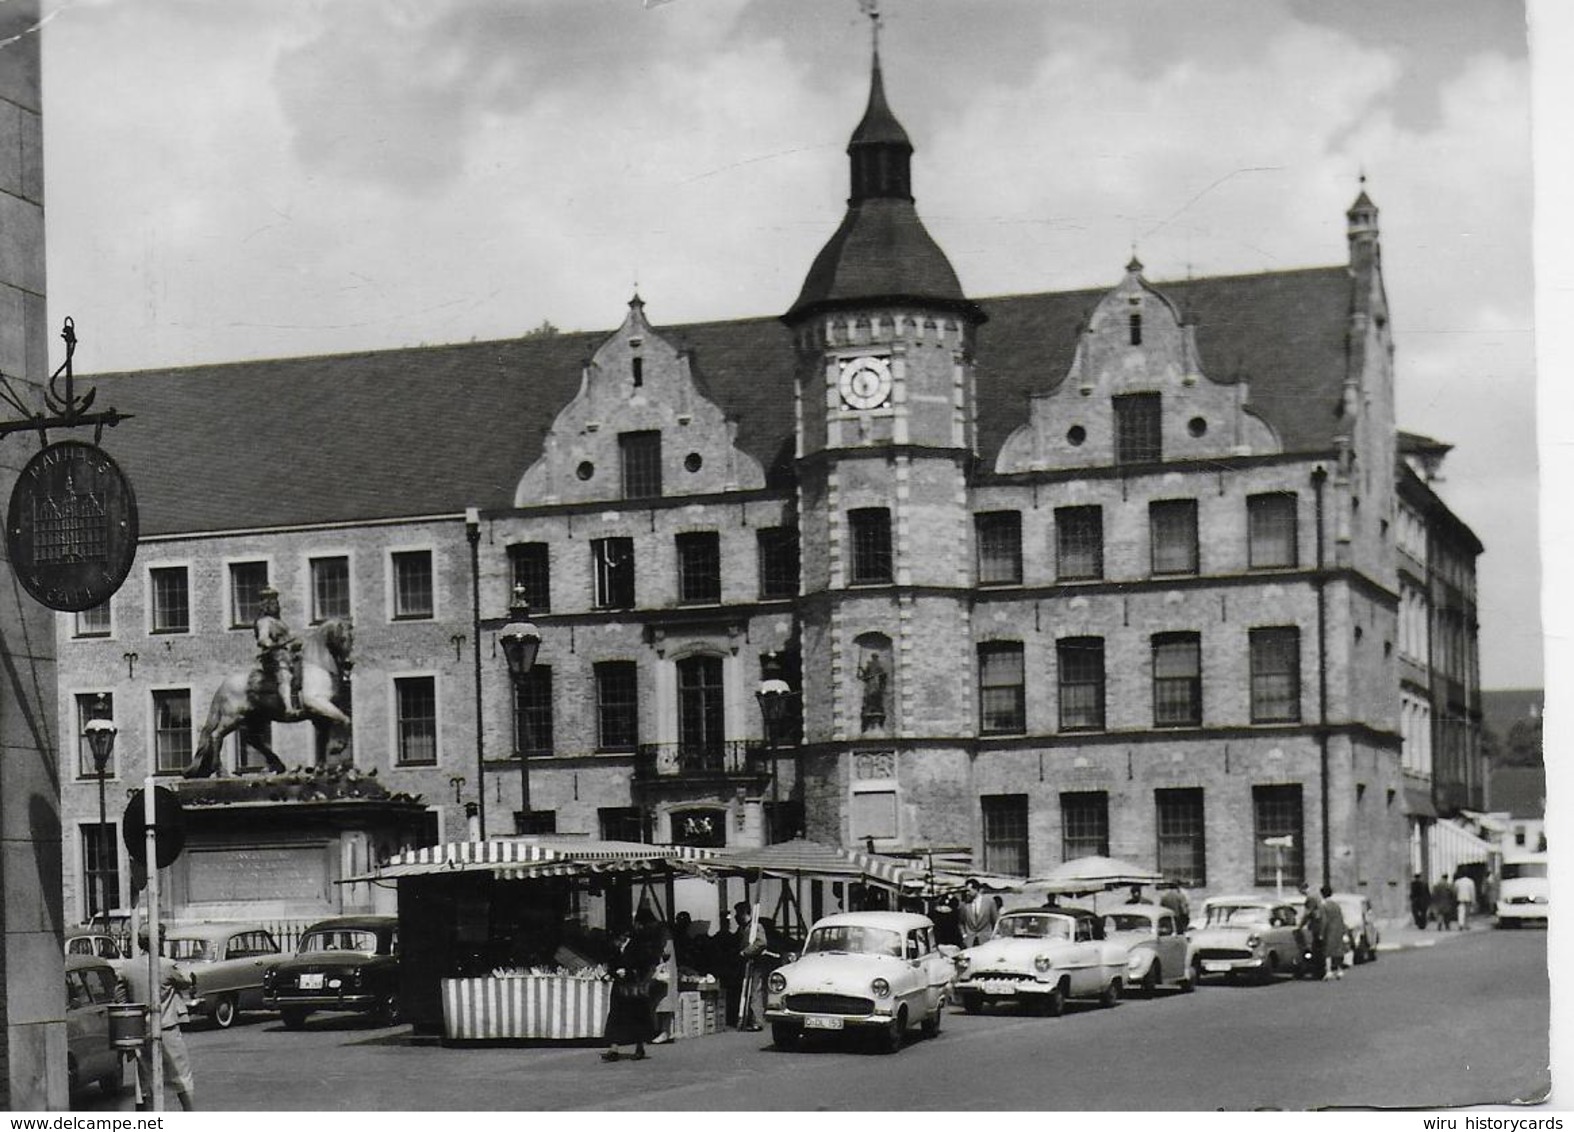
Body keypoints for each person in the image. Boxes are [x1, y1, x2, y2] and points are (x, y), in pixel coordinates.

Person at [117, 927, 197, 1111]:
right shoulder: (167, 965)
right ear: (159, 942)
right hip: (167, 1027)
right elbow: (185, 982)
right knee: (181, 1074)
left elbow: (120, 997)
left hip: (141, 1029)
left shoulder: (128, 967)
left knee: (147, 1076)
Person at [602, 923, 658, 1062]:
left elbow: (646, 965)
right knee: (615, 1015)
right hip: (619, 986)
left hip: (634, 987)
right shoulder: (614, 948)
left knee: (636, 1015)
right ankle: (613, 1047)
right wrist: (612, 973)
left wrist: (630, 972)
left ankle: (639, 1047)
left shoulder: (637, 947)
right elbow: (610, 964)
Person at [254, 586, 301, 714]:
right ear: (266, 606)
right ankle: (288, 707)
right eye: (273, 604)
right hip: (275, 656)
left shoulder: (280, 622)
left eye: (277, 603)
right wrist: (273, 644)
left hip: (289, 654)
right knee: (284, 675)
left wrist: (295, 642)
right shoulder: (264, 622)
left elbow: (289, 636)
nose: (277, 606)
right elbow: (263, 639)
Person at [640, 908, 679, 1044]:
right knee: (659, 1002)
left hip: (665, 971)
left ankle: (665, 1032)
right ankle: (661, 1031)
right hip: (661, 972)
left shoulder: (663, 933)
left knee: (665, 1003)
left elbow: (666, 952)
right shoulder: (658, 931)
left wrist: (652, 951)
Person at [733, 902, 769, 1031]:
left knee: (755, 991)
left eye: (738, 913)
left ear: (744, 913)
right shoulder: (744, 928)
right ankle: (749, 1018)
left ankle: (757, 1021)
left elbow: (762, 942)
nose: (736, 917)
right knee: (747, 990)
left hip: (756, 963)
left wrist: (746, 952)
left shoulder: (756, 927)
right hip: (747, 963)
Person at [956, 880, 999, 947]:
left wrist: (994, 936)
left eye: (968, 890)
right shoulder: (964, 904)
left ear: (976, 889)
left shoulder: (989, 902)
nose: (967, 893)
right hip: (970, 941)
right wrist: (964, 935)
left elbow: (995, 922)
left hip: (986, 940)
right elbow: (961, 922)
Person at [1319, 884, 1347, 980]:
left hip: (1329, 930)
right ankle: (1339, 970)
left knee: (1328, 951)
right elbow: (1341, 918)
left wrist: (1321, 933)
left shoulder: (1323, 906)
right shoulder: (1336, 905)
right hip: (1338, 929)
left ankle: (1328, 971)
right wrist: (1343, 930)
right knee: (1338, 950)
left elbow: (1324, 920)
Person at [1296, 882, 1324, 976]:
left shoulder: (1310, 898)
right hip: (1319, 924)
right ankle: (1319, 969)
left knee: (1316, 948)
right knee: (1319, 947)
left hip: (1316, 925)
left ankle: (1317, 970)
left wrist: (1300, 926)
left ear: (1302, 889)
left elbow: (1307, 913)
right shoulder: (1316, 896)